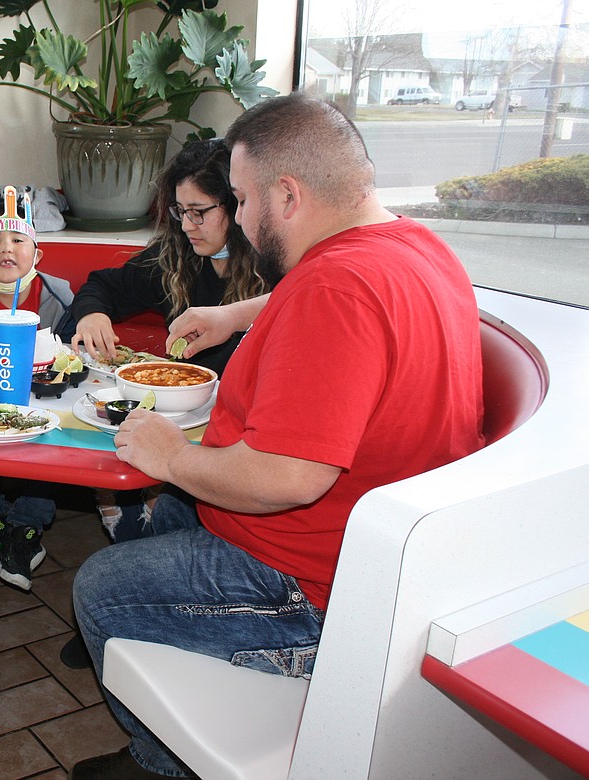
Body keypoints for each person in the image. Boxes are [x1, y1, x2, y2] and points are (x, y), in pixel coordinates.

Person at [68, 93, 485, 779]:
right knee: (168, 512)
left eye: (241, 198)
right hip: (363, 552)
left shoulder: (335, 288)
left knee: (100, 587)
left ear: (286, 195)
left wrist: (173, 454)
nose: (242, 217)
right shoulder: (415, 245)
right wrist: (237, 314)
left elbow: (289, 478)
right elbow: (343, 290)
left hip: (310, 586)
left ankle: (160, 762)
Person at [69, 138, 271, 543]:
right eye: (180, 211)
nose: (186, 225)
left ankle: (135, 510)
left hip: (238, 441)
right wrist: (92, 314)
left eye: (199, 212)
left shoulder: (275, 264)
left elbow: (303, 297)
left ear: (237, 205)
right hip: (181, 422)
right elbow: (103, 286)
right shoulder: (176, 255)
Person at [0, 185, 74, 590]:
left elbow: (70, 358)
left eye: (18, 240)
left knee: (48, 442)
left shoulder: (59, 294)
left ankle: (24, 528)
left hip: (45, 404)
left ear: (37, 253)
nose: (7, 248)